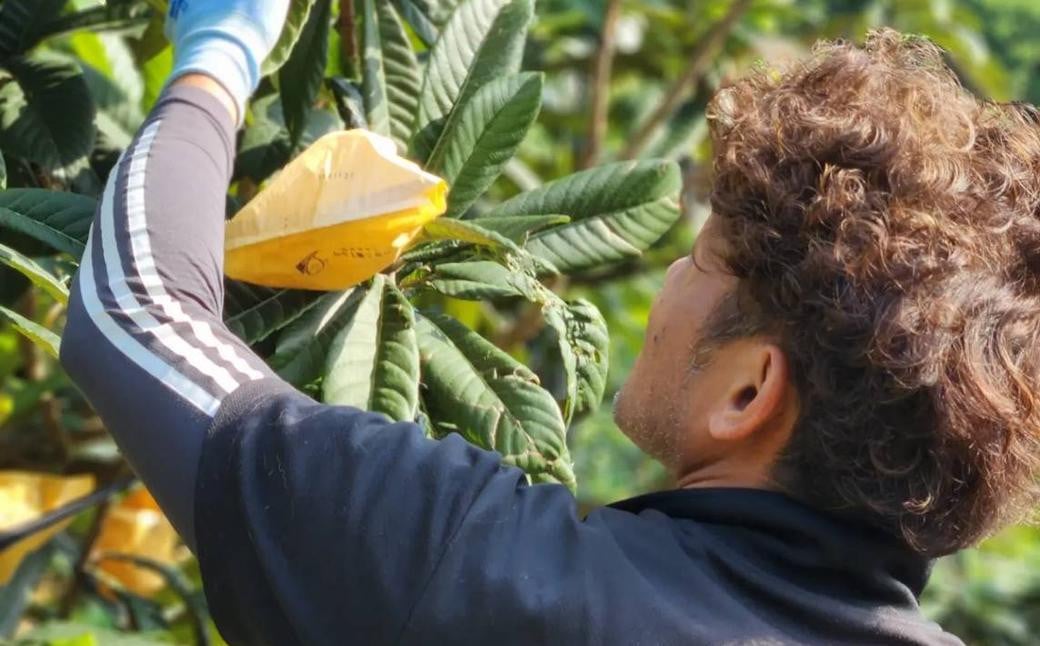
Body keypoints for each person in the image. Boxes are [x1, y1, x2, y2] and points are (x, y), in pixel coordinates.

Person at [59, 0, 1040, 643]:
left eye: (701, 259)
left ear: (747, 391)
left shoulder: (508, 583)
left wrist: (218, 56)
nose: (666, 274)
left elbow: (131, 311)